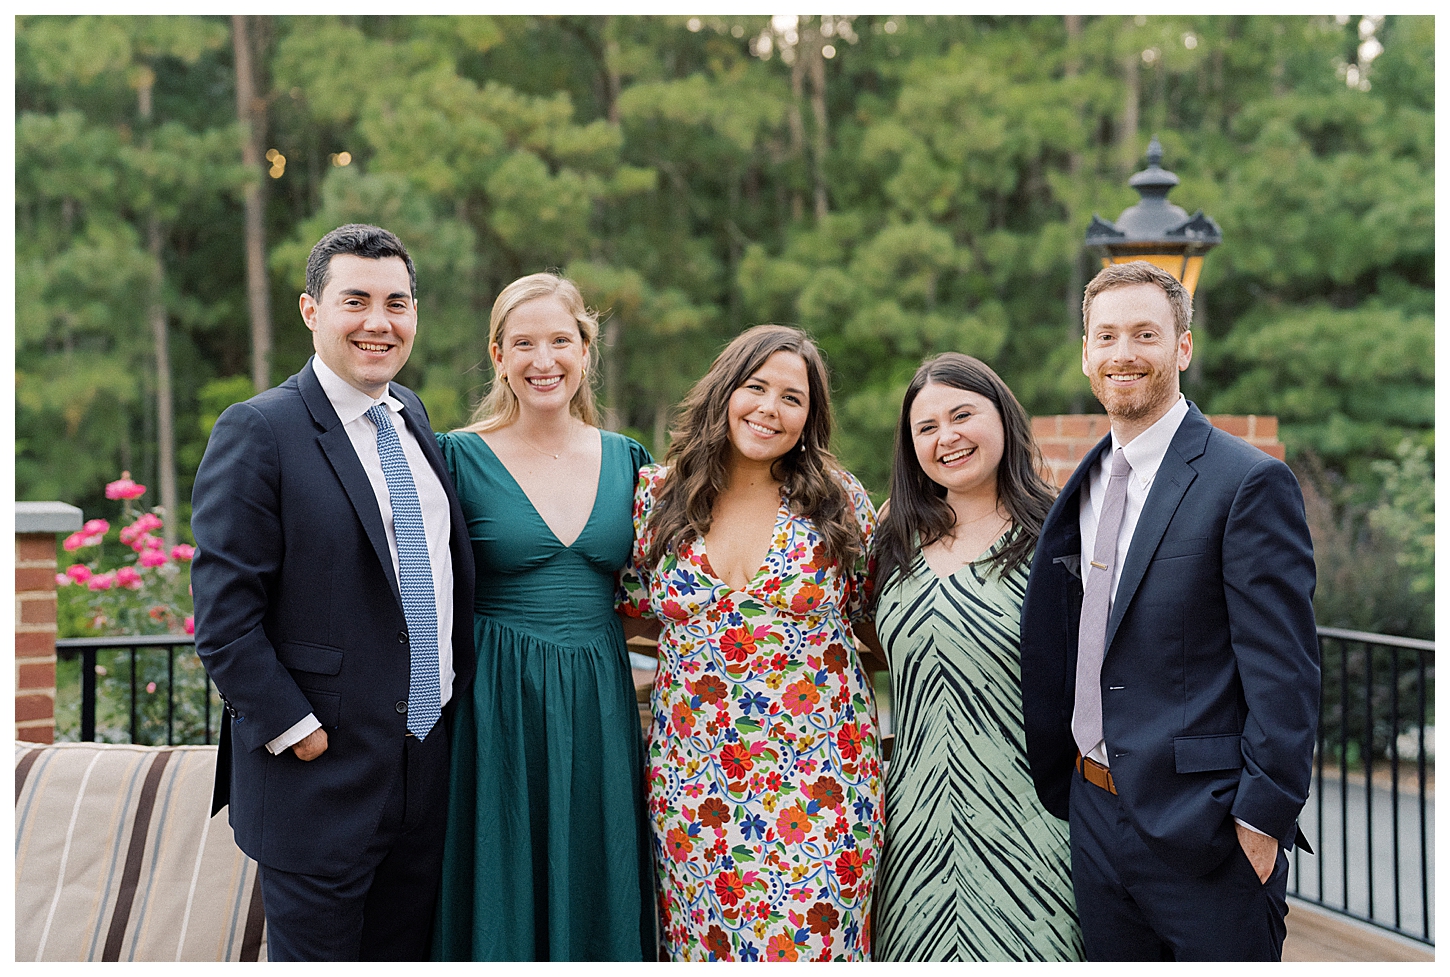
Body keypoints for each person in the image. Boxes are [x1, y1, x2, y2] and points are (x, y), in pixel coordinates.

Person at [191, 224, 477, 961]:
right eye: (356, 300)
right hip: (317, 783)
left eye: (397, 302)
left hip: (425, 770)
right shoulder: (258, 430)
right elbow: (225, 620)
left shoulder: (413, 419)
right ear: (311, 309)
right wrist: (300, 729)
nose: (378, 322)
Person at [1020, 260, 1319, 961]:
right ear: (1087, 355)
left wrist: (1260, 815)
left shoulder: (1247, 482)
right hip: (1093, 812)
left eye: (1145, 334)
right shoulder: (1086, 482)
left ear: (1182, 348)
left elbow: (1286, 669)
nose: (1124, 354)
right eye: (1107, 336)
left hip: (1208, 830)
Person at [618, 324, 882, 962]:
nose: (770, 408)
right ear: (724, 391)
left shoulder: (837, 502)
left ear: (810, 417)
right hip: (696, 783)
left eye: (793, 398)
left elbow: (879, 620)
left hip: (823, 779)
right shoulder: (657, 496)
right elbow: (625, 612)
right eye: (756, 387)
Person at [432, 273, 654, 961]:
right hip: (494, 705)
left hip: (598, 702)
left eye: (560, 340)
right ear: (497, 355)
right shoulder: (455, 457)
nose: (543, 359)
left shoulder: (631, 462)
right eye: (523, 343)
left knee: (599, 870)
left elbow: (662, 596)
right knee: (500, 879)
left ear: (586, 350)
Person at [869, 353, 1083, 962]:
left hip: (1035, 825)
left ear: (1004, 418)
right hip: (914, 824)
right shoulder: (892, 538)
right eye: (926, 428)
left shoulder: (1060, 534)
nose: (947, 438)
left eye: (963, 415)